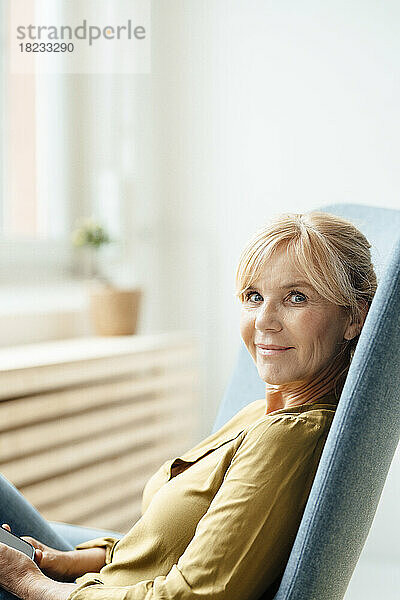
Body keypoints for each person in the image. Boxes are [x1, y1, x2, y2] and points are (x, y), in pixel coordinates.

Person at [0, 212, 377, 600]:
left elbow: (191, 596)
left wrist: (29, 584)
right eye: (253, 296)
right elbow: (175, 542)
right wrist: (66, 560)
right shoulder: (261, 412)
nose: (264, 320)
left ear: (354, 318)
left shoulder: (290, 437)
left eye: (296, 297)